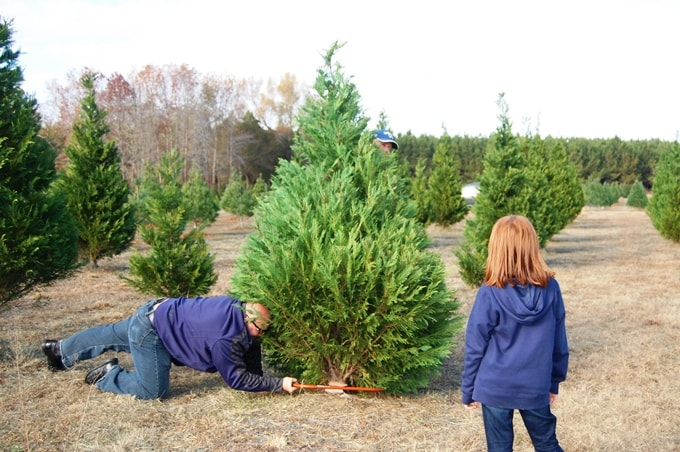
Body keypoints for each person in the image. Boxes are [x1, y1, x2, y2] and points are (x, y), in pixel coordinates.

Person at [41, 295, 298, 399]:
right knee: (153, 390)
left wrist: (262, 377)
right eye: (260, 329)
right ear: (248, 318)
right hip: (154, 333)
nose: (262, 335)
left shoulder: (236, 306)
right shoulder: (226, 339)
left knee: (111, 335)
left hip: (157, 310)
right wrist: (277, 384)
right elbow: (236, 379)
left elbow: (250, 346)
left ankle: (58, 350)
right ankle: (108, 376)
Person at [461, 215, 569, 452]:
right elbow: (559, 343)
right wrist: (553, 382)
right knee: (547, 444)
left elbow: (475, 345)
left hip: (495, 386)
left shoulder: (489, 292)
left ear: (496, 248)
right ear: (532, 246)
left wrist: (469, 389)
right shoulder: (551, 288)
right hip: (535, 384)